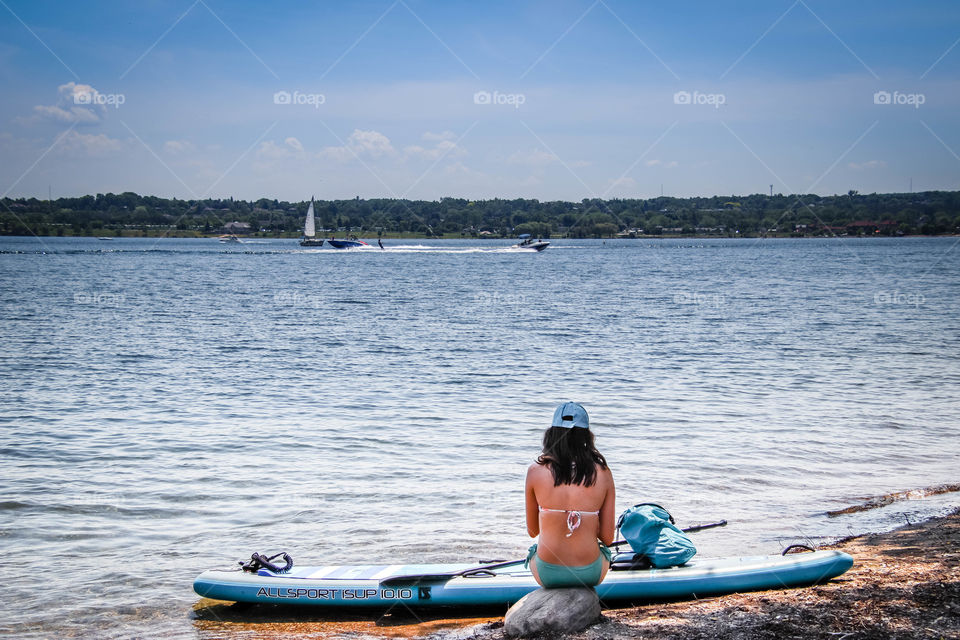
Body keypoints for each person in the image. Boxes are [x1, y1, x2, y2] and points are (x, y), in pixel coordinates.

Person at [524, 402, 615, 588]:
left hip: (547, 573)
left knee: (533, 551)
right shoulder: (604, 473)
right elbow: (607, 538)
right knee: (604, 551)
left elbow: (533, 531)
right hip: (591, 572)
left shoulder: (535, 471)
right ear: (587, 436)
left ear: (552, 434)